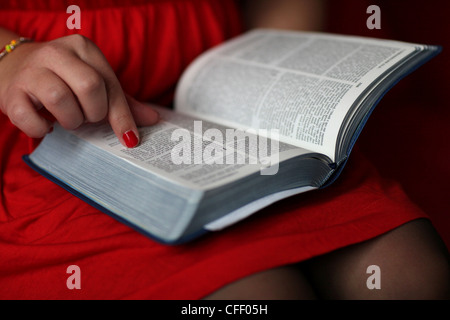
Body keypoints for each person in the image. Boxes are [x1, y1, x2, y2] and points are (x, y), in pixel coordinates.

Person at [0, 0, 448, 299]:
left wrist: (281, 76)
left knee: (411, 276)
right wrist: (10, 55)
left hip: (215, 87)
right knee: (258, 297)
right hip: (47, 117)